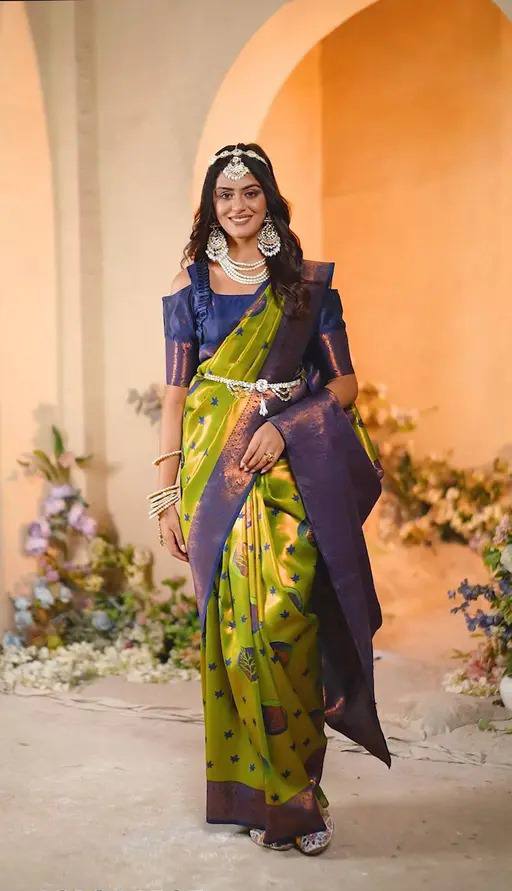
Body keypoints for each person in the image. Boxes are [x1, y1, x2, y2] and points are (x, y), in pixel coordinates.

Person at [149, 142, 391, 856]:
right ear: (211, 206)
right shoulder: (191, 290)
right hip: (212, 481)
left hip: (289, 478)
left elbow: (345, 384)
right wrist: (166, 495)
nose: (238, 206)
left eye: (250, 192)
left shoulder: (305, 288)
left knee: (286, 626)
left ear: (270, 199)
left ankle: (301, 795)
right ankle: (266, 802)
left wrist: (286, 426)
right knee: (236, 638)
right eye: (225, 195)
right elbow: (175, 397)